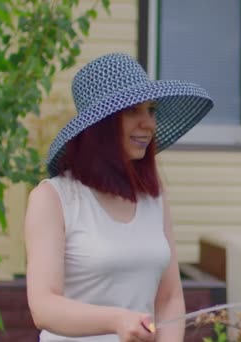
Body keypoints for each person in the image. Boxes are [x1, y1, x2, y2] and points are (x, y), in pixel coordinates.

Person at [24, 52, 213, 342]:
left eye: (150, 110)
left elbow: (170, 298)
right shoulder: (53, 198)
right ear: (100, 126)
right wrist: (117, 320)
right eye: (132, 111)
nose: (148, 123)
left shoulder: (154, 197)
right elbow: (44, 307)